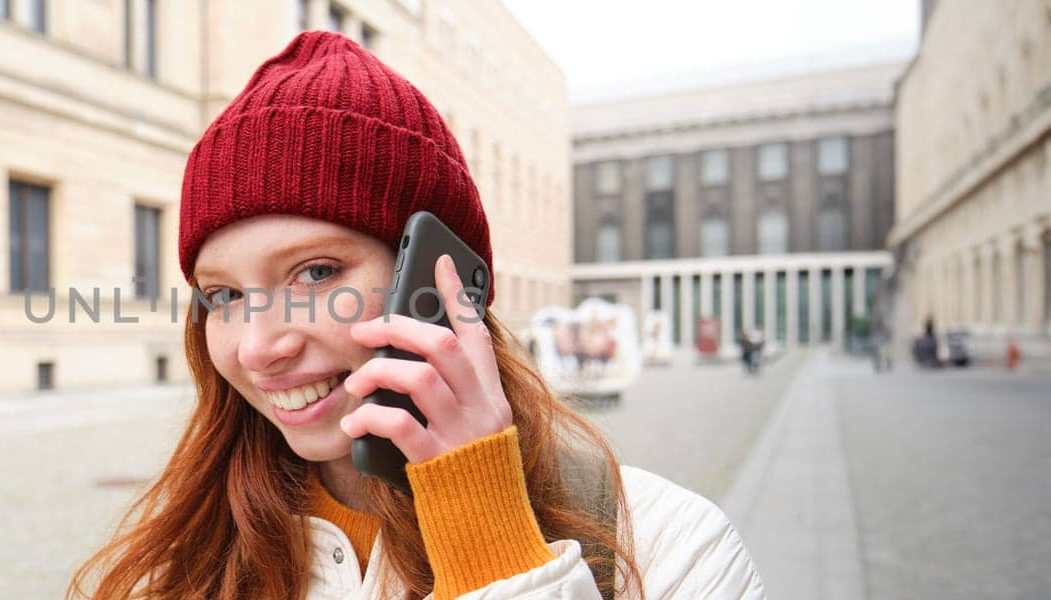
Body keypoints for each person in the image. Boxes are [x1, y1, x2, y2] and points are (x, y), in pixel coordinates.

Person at [68, 32, 765, 599]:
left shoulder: (671, 550)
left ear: (443, 279)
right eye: (223, 296)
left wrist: (489, 537)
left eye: (315, 273)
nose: (257, 347)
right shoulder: (182, 564)